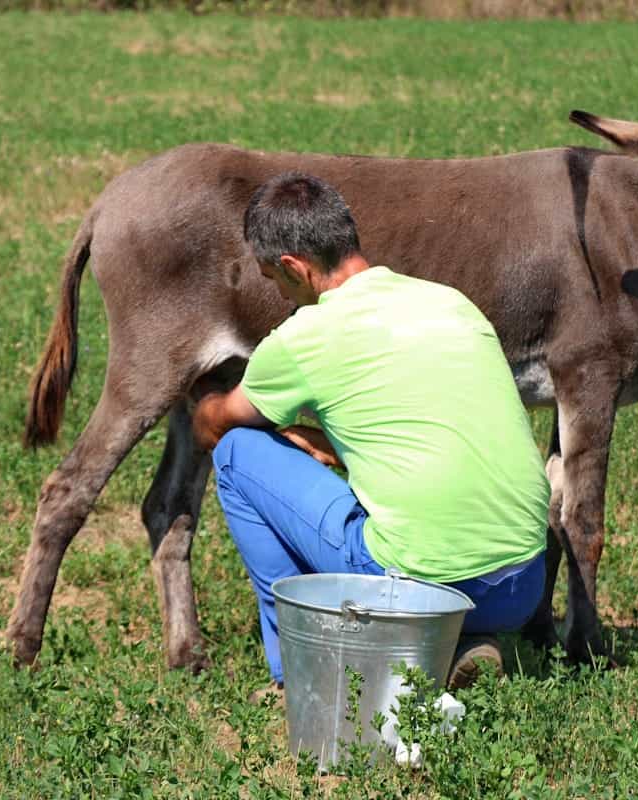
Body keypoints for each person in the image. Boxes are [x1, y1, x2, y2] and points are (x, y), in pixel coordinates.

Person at [192, 172, 549, 693]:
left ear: (294, 268)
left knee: (237, 455)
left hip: (416, 587)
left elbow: (216, 428)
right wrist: (327, 437)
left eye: (273, 278)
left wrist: (203, 396)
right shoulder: (450, 302)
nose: (276, 291)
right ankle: (464, 641)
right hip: (522, 583)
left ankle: (297, 668)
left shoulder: (303, 338)